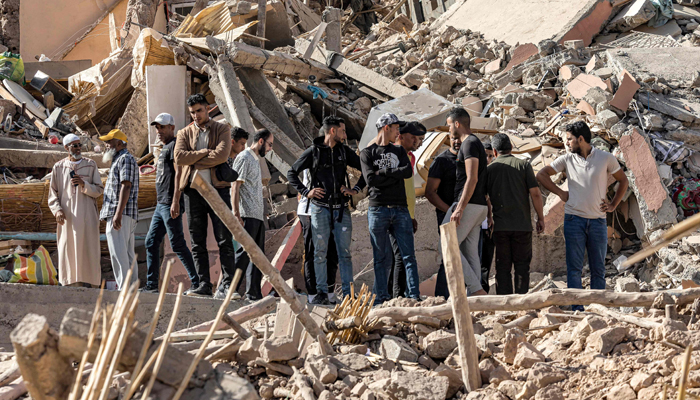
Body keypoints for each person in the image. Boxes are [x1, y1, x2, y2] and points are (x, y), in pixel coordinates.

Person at [537, 121, 628, 311]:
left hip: (598, 222)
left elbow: (623, 181)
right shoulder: (567, 159)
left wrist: (613, 205)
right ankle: (576, 309)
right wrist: (560, 193)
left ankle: (598, 308)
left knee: (598, 269)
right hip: (573, 220)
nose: (567, 143)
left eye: (569, 139)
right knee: (574, 269)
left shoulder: (606, 158)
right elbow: (542, 175)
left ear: (581, 139)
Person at [287, 116, 365, 304]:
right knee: (319, 252)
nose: (345, 135)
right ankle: (321, 293)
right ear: (332, 131)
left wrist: (355, 189)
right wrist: (307, 192)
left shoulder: (344, 152)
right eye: (343, 131)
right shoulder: (313, 152)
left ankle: (349, 294)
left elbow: (366, 168)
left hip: (341, 209)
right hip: (319, 209)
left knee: (343, 253)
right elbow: (292, 173)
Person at [174, 94, 235, 298]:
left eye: (199, 111)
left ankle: (228, 285)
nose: (196, 115)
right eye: (192, 112)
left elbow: (222, 155)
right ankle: (203, 285)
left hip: (218, 189)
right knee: (197, 240)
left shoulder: (222, 128)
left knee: (224, 239)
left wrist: (195, 158)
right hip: (193, 191)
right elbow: (179, 157)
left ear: (207, 109)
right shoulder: (184, 132)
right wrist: (204, 153)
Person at [360, 113, 420, 304]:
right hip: (378, 210)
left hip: (401, 209)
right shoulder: (367, 153)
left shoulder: (400, 151)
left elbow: (407, 172)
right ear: (386, 128)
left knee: (408, 256)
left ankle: (414, 296)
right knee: (381, 258)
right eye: (396, 128)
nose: (398, 132)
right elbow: (370, 180)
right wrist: (393, 176)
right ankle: (381, 298)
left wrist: (384, 172)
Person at [142, 113, 199, 294]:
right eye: (157, 127)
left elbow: (179, 174)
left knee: (177, 244)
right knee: (151, 242)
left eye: (162, 127)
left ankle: (197, 282)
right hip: (162, 204)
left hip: (169, 203)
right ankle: (152, 285)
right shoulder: (165, 147)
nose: (159, 131)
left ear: (172, 128)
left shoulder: (175, 146)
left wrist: (175, 201)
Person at [486, 133, 545, 294]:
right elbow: (536, 194)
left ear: (495, 151)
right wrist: (540, 218)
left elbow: (485, 197)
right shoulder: (524, 166)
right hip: (522, 226)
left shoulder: (489, 169)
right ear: (511, 148)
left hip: (500, 227)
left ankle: (504, 305)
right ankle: (522, 303)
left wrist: (489, 217)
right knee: (522, 267)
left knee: (502, 267)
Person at [442, 108, 488, 296]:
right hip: (479, 207)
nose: (448, 128)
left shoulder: (468, 144)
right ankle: (476, 300)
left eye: (449, 124)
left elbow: (472, 178)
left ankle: (476, 291)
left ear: (457, 124)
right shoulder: (474, 142)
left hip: (469, 205)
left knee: (446, 244)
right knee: (470, 252)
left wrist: (459, 208)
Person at [48, 134, 104, 288]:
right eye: (74, 145)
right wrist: (57, 210)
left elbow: (99, 190)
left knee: (89, 250)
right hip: (68, 218)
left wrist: (84, 184)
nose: (78, 148)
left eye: (79, 145)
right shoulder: (59, 167)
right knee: (68, 250)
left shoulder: (90, 165)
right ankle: (72, 286)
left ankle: (93, 286)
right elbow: (52, 193)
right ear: (66, 148)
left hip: (87, 216)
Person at [231, 129, 273, 301]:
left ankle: (253, 293)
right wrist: (236, 213)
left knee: (257, 256)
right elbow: (235, 186)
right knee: (242, 253)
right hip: (246, 214)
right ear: (261, 141)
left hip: (257, 215)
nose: (270, 149)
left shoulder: (255, 160)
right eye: (270, 144)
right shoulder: (244, 157)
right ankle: (229, 288)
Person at [386, 121, 425, 298]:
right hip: (393, 211)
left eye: (419, 139)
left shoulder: (411, 156)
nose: (417, 142)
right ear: (400, 136)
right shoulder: (390, 153)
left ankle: (393, 294)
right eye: (413, 138)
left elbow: (409, 189)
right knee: (402, 255)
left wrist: (412, 215)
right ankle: (397, 295)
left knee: (398, 256)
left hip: (406, 213)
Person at [99, 129, 139, 290]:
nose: (106, 144)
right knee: (127, 255)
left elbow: (126, 186)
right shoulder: (120, 160)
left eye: (110, 141)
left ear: (120, 143)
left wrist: (118, 214)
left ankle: (124, 290)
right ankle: (131, 290)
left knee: (119, 254)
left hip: (121, 214)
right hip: (123, 214)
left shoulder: (125, 159)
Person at [426, 133, 461, 298]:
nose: (457, 141)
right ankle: (442, 297)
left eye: (460, 138)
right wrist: (450, 212)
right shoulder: (441, 161)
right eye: (454, 138)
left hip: (467, 216)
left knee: (466, 257)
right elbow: (430, 192)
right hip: (447, 217)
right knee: (449, 256)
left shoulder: (469, 160)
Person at [479, 142, 496, 292]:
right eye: (485, 154)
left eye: (491, 156)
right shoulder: (475, 170)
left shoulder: (490, 171)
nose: (488, 158)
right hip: (476, 221)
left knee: (486, 260)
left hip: (486, 223)